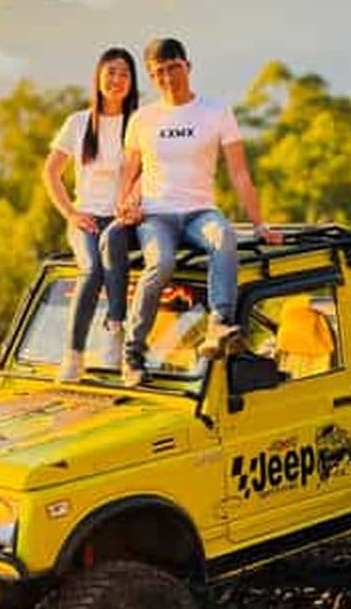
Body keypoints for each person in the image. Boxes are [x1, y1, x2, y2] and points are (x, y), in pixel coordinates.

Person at [117, 36, 281, 387]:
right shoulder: (142, 119)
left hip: (199, 212)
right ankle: (132, 352)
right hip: (156, 214)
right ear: (151, 76)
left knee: (223, 237)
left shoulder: (216, 111)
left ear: (188, 67)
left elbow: (239, 172)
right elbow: (129, 172)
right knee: (160, 263)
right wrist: (123, 204)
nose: (167, 77)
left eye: (173, 68)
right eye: (159, 72)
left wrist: (260, 223)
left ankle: (218, 325)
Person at [43, 47, 140, 382]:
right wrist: (70, 213)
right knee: (91, 269)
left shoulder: (138, 123)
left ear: (132, 82)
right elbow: (51, 172)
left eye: (124, 74)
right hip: (85, 218)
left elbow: (150, 171)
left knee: (113, 245)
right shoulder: (79, 122)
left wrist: (132, 206)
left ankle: (114, 332)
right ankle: (73, 355)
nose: (116, 80)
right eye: (111, 72)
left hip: (125, 219)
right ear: (98, 76)